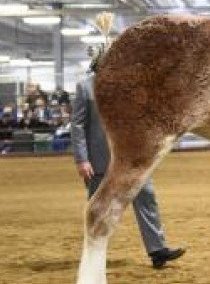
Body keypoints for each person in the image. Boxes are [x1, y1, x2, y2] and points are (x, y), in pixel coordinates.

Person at [72, 72, 186, 269]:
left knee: (147, 197)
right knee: (98, 208)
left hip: (133, 158)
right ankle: (92, 254)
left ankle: (158, 251)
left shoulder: (131, 84)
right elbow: (78, 126)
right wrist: (82, 159)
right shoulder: (85, 87)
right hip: (100, 160)